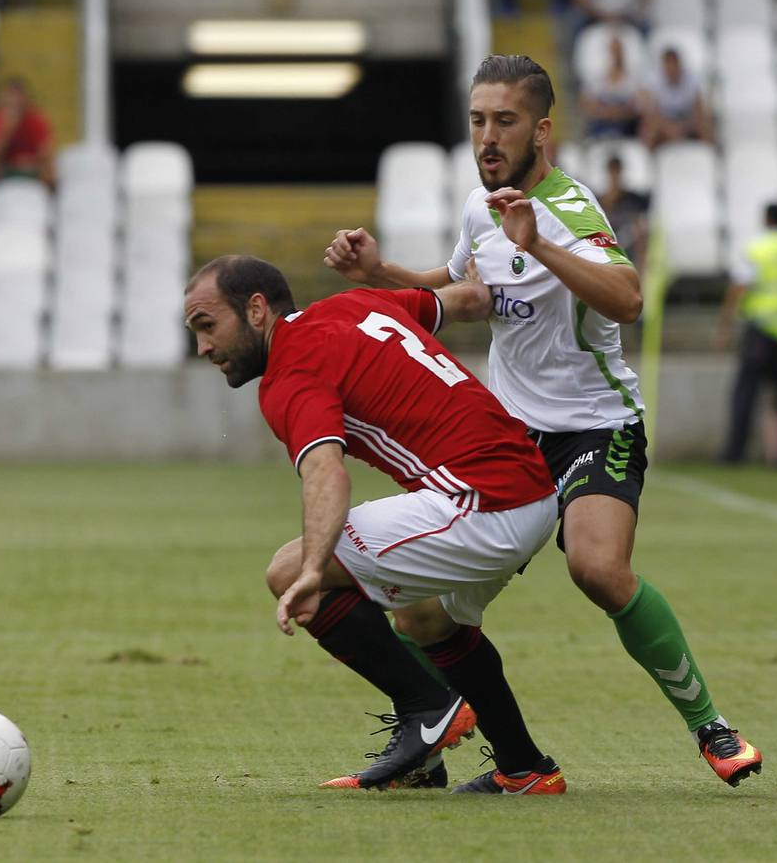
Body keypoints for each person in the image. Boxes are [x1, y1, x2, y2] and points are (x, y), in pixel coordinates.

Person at [325, 54, 763, 788]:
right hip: (508, 439)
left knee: (596, 567)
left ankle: (711, 727)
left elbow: (628, 300)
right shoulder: (479, 206)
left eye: (505, 121)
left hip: (596, 426)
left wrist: (541, 245)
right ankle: (509, 766)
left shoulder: (571, 209)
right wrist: (380, 272)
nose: (488, 137)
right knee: (425, 616)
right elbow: (463, 290)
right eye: (477, 121)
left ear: (542, 129)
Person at [184, 254, 567, 795]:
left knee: (288, 569)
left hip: (485, 502)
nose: (202, 348)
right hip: (530, 486)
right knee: (423, 618)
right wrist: (474, 276)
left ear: (255, 310)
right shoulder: (356, 304)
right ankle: (525, 769)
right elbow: (469, 300)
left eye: (207, 326)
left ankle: (427, 709)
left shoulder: (292, 372)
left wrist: (314, 570)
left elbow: (325, 472)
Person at [716, 203, 777, 466]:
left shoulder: (759, 248)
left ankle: (734, 454)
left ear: (767, 219)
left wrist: (725, 326)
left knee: (745, 394)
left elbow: (739, 287)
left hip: (760, 331)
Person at [0, 77, 56, 189]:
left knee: (50, 172)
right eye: (10, 97)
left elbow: (45, 151)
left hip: (31, 167)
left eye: (18, 97)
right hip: (6, 167)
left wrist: (32, 162)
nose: (14, 101)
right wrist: (7, 129)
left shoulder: (36, 119)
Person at [638, 47, 714, 149]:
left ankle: (709, 156)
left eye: (674, 65)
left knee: (705, 126)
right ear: (664, 66)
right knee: (649, 130)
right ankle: (648, 161)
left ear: (679, 65)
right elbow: (650, 115)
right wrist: (669, 128)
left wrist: (683, 127)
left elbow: (699, 112)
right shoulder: (654, 82)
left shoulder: (692, 80)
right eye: (668, 65)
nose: (672, 69)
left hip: (686, 121)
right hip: (664, 122)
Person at [579, 35, 641, 139]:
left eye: (619, 52)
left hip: (626, 127)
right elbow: (585, 104)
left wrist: (617, 113)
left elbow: (637, 106)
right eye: (614, 51)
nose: (616, 56)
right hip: (601, 125)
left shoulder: (633, 80)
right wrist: (607, 113)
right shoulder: (597, 79)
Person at [597, 154, 649, 272]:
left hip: (629, 256)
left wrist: (641, 264)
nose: (614, 176)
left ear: (621, 173)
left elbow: (640, 235)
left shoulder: (632, 201)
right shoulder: (600, 202)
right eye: (612, 172)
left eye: (617, 172)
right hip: (607, 257)